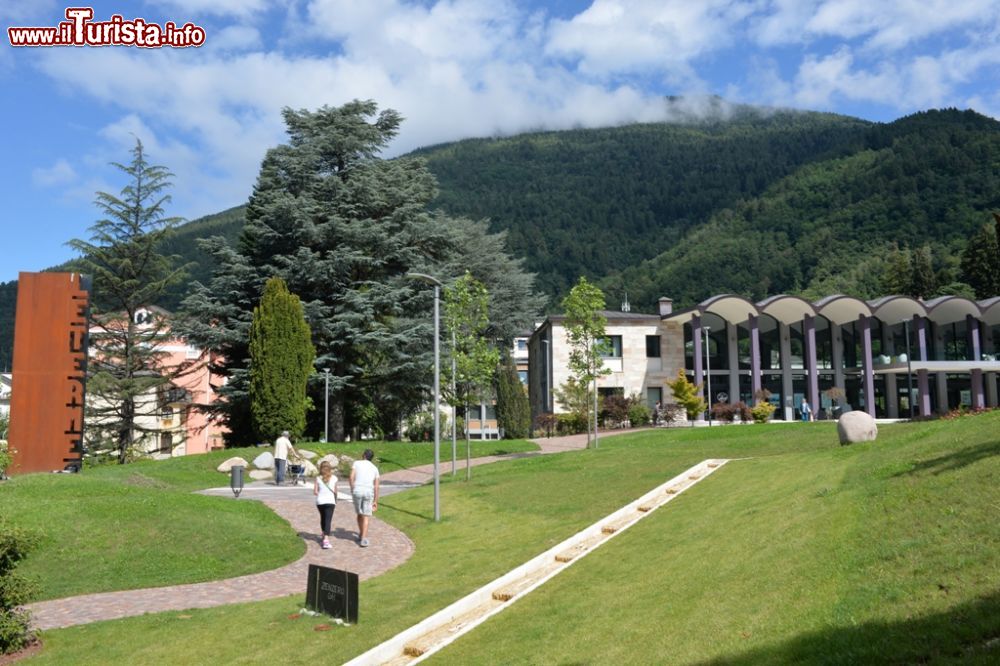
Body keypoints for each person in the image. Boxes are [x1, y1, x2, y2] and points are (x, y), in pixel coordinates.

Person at [349, 449, 380, 547]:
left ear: (364, 455)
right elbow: (376, 486)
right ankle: (363, 538)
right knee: (366, 515)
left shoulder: (356, 463)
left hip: (357, 491)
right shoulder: (375, 468)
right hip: (368, 492)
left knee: (359, 514)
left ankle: (361, 533)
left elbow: (351, 477)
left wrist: (353, 489)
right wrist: (375, 501)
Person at [314, 460, 338, 550]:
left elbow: (315, 492)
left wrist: (321, 492)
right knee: (328, 520)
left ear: (321, 468)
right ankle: (326, 540)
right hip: (330, 501)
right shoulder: (334, 478)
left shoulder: (318, 478)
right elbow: (335, 491)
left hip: (320, 501)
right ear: (330, 468)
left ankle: (324, 534)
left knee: (323, 518)